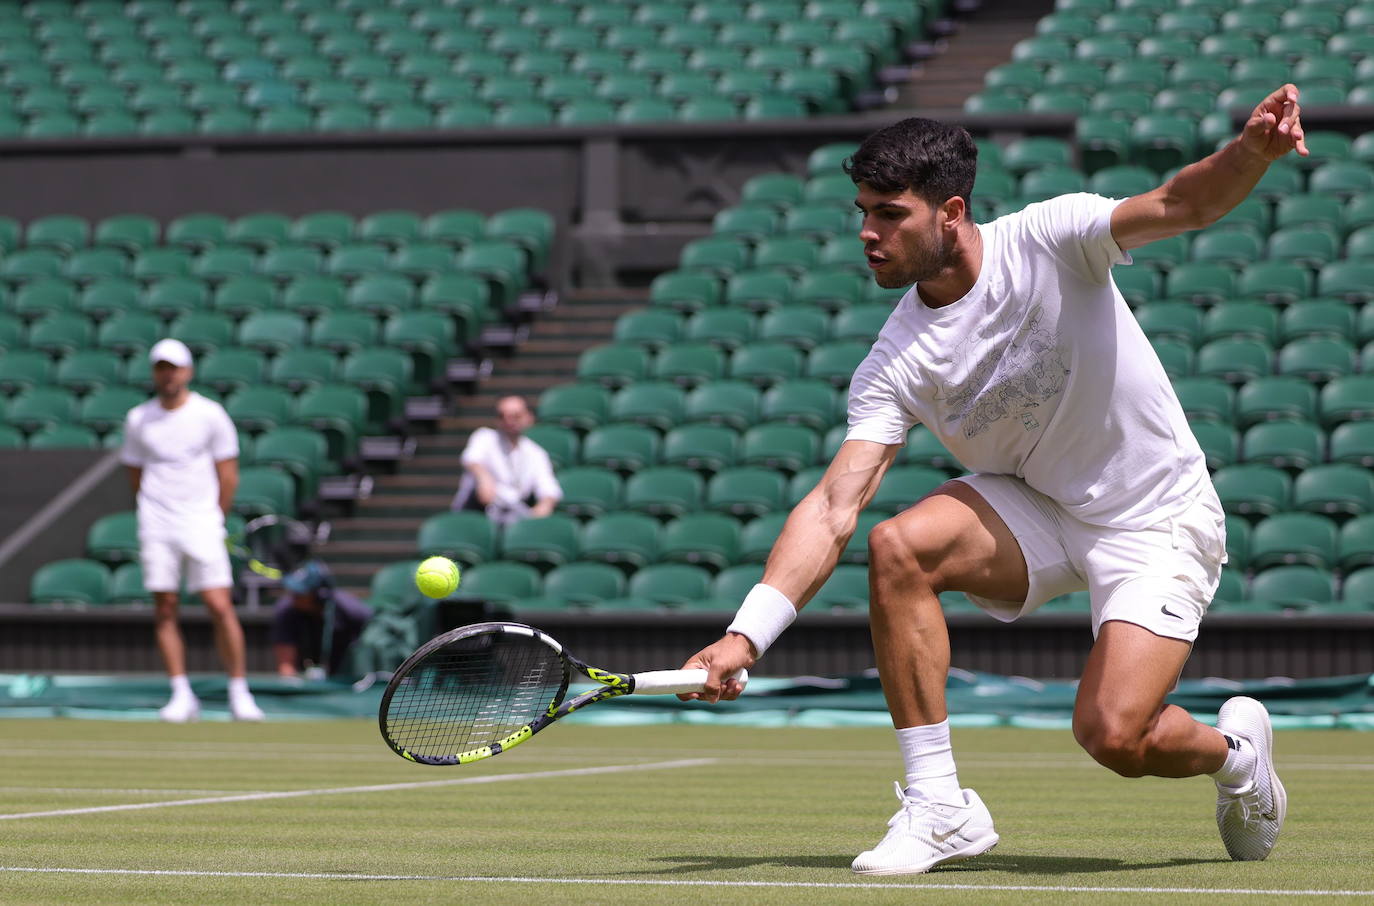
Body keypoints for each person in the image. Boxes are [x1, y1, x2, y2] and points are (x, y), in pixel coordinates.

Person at [679, 85, 1308, 873]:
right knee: (898, 546)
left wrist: (1250, 151)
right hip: (1041, 503)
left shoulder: (1051, 237)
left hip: (1156, 515)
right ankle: (939, 804)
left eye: (889, 214)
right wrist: (747, 634)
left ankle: (1237, 757)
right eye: (862, 212)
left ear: (950, 211)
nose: (868, 234)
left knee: (1114, 735)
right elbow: (836, 503)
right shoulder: (894, 361)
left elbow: (1181, 203)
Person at [120, 338, 264, 722]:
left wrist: (214, 516)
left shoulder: (210, 414)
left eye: (173, 367)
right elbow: (136, 473)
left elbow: (227, 474)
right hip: (156, 523)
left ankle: (239, 692)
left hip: (201, 520)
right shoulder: (138, 419)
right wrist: (155, 509)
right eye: (160, 367)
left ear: (188, 372)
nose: (167, 374)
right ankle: (181, 694)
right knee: (165, 608)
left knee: (219, 605)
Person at [451, 395, 562, 525]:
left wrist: (545, 505)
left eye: (516, 416)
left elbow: (548, 487)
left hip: (514, 517)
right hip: (475, 513)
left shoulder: (536, 453)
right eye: (502, 416)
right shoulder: (485, 437)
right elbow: (471, 458)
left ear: (529, 418)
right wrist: (484, 478)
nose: (509, 421)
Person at [271, 559, 373, 679]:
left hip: (348, 678)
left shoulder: (351, 610)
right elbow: (286, 666)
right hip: (304, 679)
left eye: (300, 593)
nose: (293, 596)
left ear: (319, 594)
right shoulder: (285, 610)